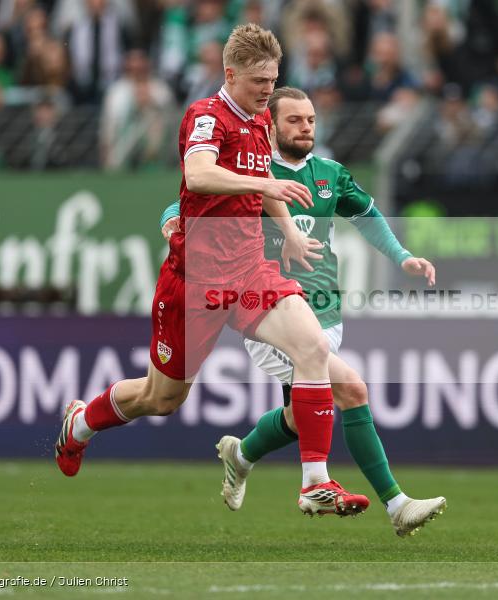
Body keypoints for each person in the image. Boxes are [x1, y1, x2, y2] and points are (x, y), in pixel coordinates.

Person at [54, 24, 370, 518]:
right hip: (195, 283)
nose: (267, 90)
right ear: (230, 74)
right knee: (161, 398)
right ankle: (81, 423)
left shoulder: (261, 120)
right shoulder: (206, 115)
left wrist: (287, 229)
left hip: (249, 272)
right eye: (259, 81)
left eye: (273, 79)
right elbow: (199, 174)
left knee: (312, 347)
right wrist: (262, 186)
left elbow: (264, 181)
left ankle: (315, 483)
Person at [159, 86, 447, 537]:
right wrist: (170, 219)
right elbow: (186, 199)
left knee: (300, 417)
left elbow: (367, 216)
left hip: (325, 313)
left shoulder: (329, 173)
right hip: (268, 314)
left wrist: (403, 256)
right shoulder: (252, 172)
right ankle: (396, 504)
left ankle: (241, 455)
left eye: (310, 119)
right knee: (351, 389)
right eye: (294, 120)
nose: (306, 127)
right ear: (270, 126)